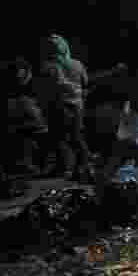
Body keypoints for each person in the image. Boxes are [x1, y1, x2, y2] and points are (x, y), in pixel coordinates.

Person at [37, 34, 93, 183]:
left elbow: (45, 89)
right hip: (77, 105)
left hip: (58, 105)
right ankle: (83, 165)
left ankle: (67, 167)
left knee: (60, 137)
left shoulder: (47, 66)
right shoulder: (77, 64)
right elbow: (85, 81)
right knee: (76, 136)